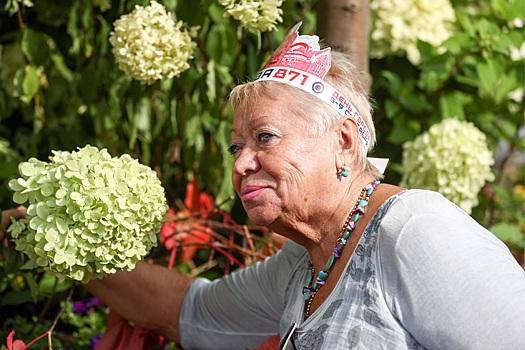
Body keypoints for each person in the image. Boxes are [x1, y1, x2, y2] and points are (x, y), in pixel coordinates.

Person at [1, 24, 524, 350]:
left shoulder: (414, 230)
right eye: (235, 147)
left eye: (264, 138)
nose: (242, 164)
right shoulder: (305, 265)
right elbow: (193, 314)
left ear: (343, 143)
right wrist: (52, 235)